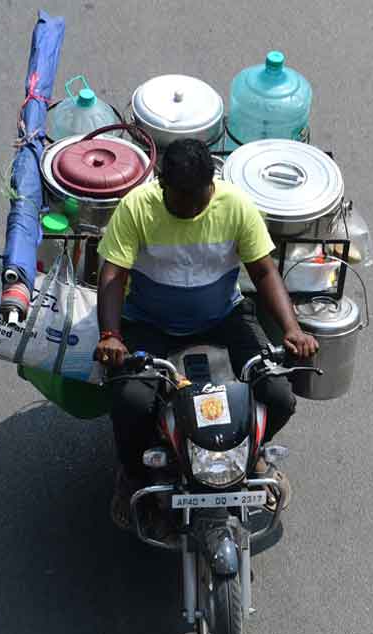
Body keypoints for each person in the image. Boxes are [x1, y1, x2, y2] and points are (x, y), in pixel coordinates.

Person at [94, 138, 319, 529]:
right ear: (161, 184)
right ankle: (133, 474)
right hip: (150, 322)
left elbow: (263, 271)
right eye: (179, 199)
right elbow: (113, 275)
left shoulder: (236, 206)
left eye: (198, 198)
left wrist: (292, 329)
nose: (189, 208)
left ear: (211, 184)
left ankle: (252, 454)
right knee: (131, 402)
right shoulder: (136, 208)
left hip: (223, 318)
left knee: (279, 396)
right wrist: (111, 334)